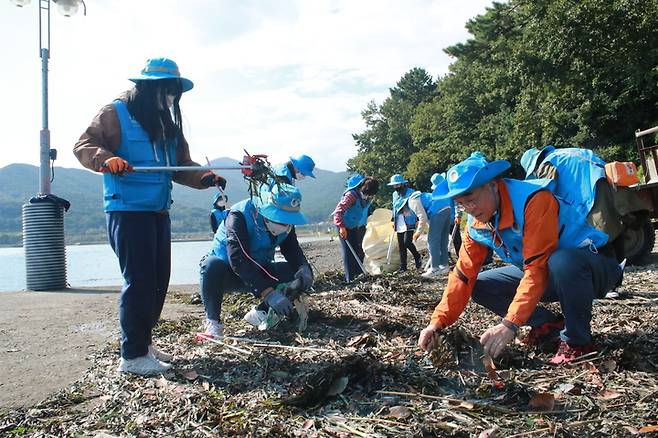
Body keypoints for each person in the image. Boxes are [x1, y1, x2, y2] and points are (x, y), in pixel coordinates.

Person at [73, 57, 227, 376]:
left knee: (158, 281)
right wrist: (108, 159)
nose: (169, 98)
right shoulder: (114, 113)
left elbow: (181, 165)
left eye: (173, 92)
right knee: (140, 280)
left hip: (158, 211)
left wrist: (205, 178)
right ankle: (131, 356)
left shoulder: (167, 126)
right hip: (126, 211)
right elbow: (84, 145)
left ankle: (143, 342)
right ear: (146, 87)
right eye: (165, 90)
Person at [417, 152, 622, 364]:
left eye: (471, 199)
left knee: (562, 261)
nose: (469, 209)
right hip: (547, 273)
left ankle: (577, 342)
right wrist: (437, 323)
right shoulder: (477, 224)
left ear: (493, 185)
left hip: (593, 268)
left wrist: (510, 324)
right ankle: (547, 324)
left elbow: (537, 267)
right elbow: (463, 276)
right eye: (461, 203)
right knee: (479, 286)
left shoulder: (533, 201)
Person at [198, 184, 314, 338]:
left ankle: (262, 312)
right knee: (211, 266)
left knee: (297, 273)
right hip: (228, 272)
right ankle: (213, 323)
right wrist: (268, 293)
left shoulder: (286, 226)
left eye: (288, 221)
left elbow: (292, 249)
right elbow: (238, 259)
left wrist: (303, 267)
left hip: (260, 269)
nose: (285, 225)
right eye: (281, 220)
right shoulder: (239, 216)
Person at [521, 146, 624, 262]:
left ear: (534, 166)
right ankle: (621, 261)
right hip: (607, 180)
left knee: (602, 233)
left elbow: (548, 189)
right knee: (614, 226)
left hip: (592, 192)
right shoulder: (562, 153)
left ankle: (612, 266)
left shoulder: (546, 165)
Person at [332, 174, 380, 282]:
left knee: (357, 250)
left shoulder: (366, 198)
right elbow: (338, 212)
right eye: (367, 194)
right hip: (343, 225)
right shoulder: (351, 195)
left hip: (353, 226)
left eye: (370, 195)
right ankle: (349, 279)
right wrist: (341, 227)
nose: (368, 196)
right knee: (348, 252)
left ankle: (358, 275)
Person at [408, 173, 453, 277]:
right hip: (446, 210)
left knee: (432, 242)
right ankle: (444, 266)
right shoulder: (423, 196)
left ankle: (434, 268)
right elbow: (428, 219)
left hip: (438, 212)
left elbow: (422, 217)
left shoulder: (412, 201)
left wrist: (418, 233)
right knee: (442, 240)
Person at [388, 174, 421, 271]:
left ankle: (417, 256)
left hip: (409, 219)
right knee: (401, 245)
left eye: (397, 185)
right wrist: (393, 219)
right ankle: (403, 266)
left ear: (402, 184)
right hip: (399, 220)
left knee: (407, 242)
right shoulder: (394, 194)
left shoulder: (411, 192)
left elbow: (416, 206)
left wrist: (417, 218)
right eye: (394, 185)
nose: (396, 187)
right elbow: (394, 207)